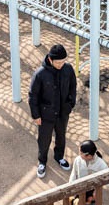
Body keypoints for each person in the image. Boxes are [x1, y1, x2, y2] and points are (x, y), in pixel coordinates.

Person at [29, 44, 77, 179]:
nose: (61, 64)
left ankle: (59, 157)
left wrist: (70, 104)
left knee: (61, 136)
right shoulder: (40, 74)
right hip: (45, 115)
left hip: (63, 113)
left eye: (63, 61)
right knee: (44, 139)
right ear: (50, 59)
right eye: (58, 62)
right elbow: (33, 96)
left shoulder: (68, 69)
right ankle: (42, 161)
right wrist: (36, 115)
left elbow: (73, 86)